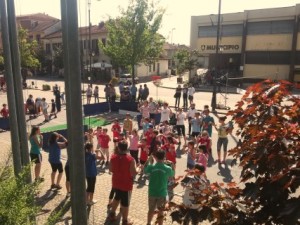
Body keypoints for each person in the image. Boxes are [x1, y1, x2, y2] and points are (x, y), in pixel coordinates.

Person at [108, 141, 138, 225]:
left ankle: (112, 214)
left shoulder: (113, 157)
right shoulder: (131, 159)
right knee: (125, 203)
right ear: (127, 148)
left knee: (116, 197)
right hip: (126, 185)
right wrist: (139, 168)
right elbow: (134, 172)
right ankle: (125, 221)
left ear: (118, 148)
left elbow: (110, 169)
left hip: (116, 183)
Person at [144, 150, 175, 225]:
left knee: (151, 209)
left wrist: (148, 160)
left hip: (152, 192)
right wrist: (172, 164)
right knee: (161, 210)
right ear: (164, 157)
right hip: (162, 193)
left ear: (155, 157)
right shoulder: (168, 168)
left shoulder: (151, 167)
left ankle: (148, 223)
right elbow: (172, 175)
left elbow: (145, 170)